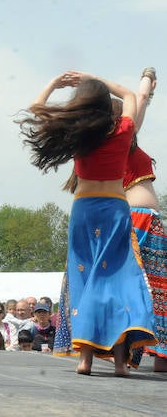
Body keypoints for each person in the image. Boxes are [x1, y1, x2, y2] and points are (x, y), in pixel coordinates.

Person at [20, 70, 156, 375]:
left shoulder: (77, 132)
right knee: (116, 282)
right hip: (114, 210)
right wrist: (94, 79)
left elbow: (36, 109)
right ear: (107, 108)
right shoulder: (123, 129)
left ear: (82, 106)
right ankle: (121, 363)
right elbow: (132, 96)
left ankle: (85, 359)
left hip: (84, 209)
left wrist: (55, 83)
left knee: (86, 280)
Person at [123, 68, 167, 371]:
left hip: (145, 220)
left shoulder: (118, 142)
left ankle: (151, 352)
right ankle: (152, 353)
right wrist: (147, 76)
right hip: (139, 221)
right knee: (152, 287)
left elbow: (140, 103)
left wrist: (147, 92)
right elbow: (137, 98)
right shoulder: (119, 140)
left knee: (148, 287)